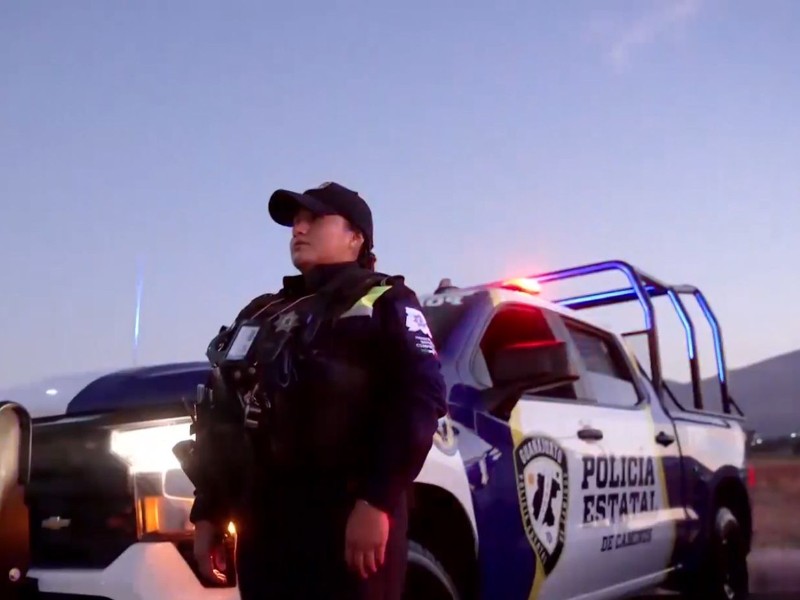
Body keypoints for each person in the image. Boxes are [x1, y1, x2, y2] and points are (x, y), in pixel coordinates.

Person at [187, 181, 448, 599]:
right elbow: (221, 412)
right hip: (266, 527)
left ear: (355, 237)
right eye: (296, 220)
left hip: (347, 519)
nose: (299, 229)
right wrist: (209, 512)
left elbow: (420, 399)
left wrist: (376, 502)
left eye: (314, 219)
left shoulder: (386, 300)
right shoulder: (262, 311)